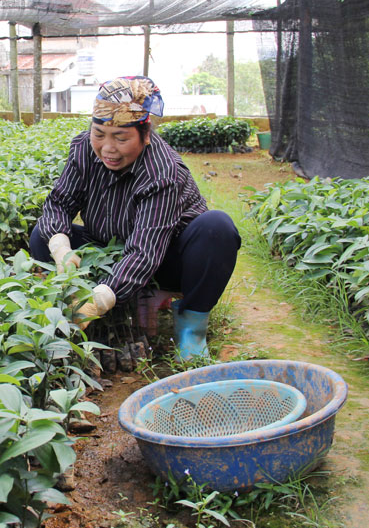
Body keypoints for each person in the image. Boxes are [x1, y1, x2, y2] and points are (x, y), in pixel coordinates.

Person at [29, 76, 241, 360]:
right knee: (43, 236)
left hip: (164, 259)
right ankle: (78, 300)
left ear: (146, 135)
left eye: (121, 138)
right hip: (109, 247)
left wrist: (99, 300)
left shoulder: (162, 171)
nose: (108, 148)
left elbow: (146, 250)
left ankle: (191, 327)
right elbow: (59, 203)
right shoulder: (83, 149)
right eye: (99, 134)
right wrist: (61, 248)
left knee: (217, 228)